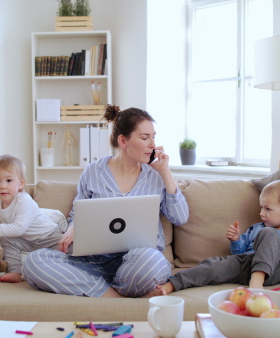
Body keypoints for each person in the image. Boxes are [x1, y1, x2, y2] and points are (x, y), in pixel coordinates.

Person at [22, 104, 189, 298]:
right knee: (34, 261)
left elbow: (180, 217)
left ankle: (102, 289)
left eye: (154, 137)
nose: (153, 144)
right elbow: (78, 212)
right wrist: (74, 226)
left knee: (152, 262)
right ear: (123, 141)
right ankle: (111, 294)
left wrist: (165, 172)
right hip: (94, 262)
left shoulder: (157, 175)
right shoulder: (93, 171)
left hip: (139, 263)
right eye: (145, 138)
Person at [159, 179, 280, 293]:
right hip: (245, 266)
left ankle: (256, 282)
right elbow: (239, 254)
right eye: (261, 208)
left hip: (273, 272)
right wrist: (235, 241)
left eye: (268, 209)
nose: (262, 214)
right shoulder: (255, 228)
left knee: (269, 234)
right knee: (213, 264)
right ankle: (171, 286)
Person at [0, 154, 65, 283]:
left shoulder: (24, 201)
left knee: (68, 246)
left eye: (8, 181)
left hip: (49, 237)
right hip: (27, 241)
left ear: (21, 183)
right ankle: (15, 272)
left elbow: (18, 229)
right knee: (7, 240)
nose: (2, 186)